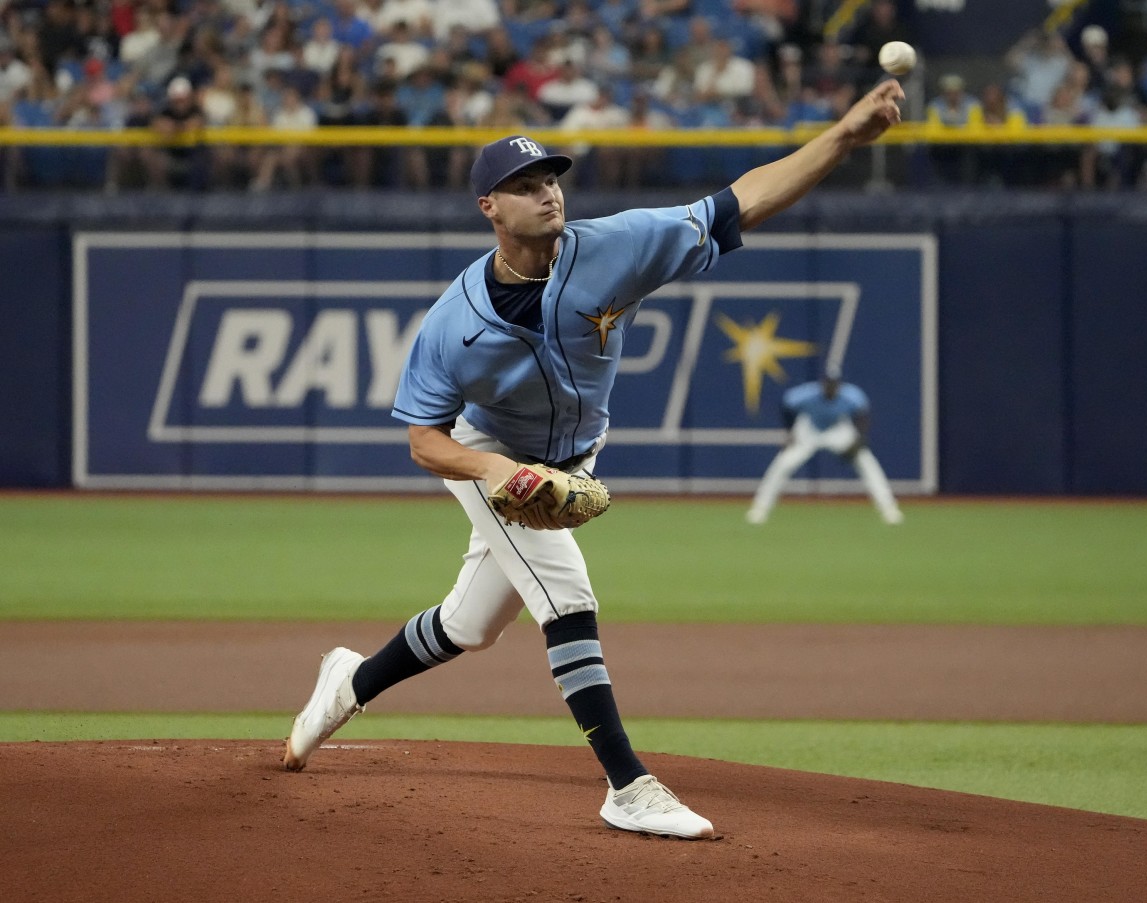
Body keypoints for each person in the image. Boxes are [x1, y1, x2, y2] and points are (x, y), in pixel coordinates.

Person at [282, 78, 906, 839]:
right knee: (566, 594)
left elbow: (738, 201)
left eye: (550, 178)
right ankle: (627, 783)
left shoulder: (613, 247)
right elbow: (424, 437)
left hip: (572, 458)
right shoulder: (451, 324)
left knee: (469, 623)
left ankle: (351, 679)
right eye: (524, 185)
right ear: (489, 208)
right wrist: (492, 473)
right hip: (491, 455)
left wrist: (842, 135)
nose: (547, 193)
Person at [746, 367, 903, 526]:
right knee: (784, 463)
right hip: (809, 429)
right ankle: (760, 508)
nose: (831, 387)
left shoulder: (851, 396)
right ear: (822, 383)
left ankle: (889, 509)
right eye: (828, 384)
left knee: (866, 461)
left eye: (834, 384)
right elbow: (786, 406)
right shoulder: (806, 394)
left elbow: (862, 414)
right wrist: (790, 433)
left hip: (837, 429)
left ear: (839, 385)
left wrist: (859, 439)